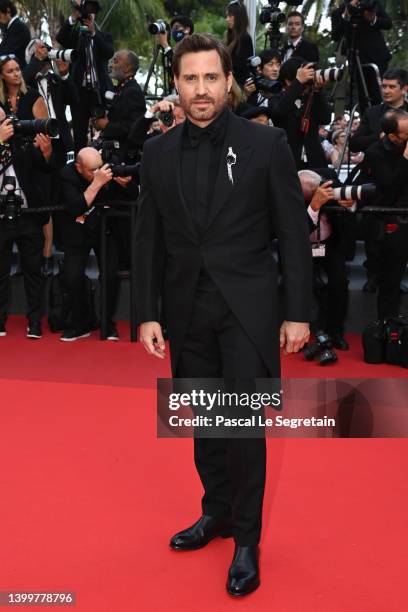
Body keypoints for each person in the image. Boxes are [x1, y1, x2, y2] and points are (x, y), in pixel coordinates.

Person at [135, 33, 312, 597]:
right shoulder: (157, 152)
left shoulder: (268, 144)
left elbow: (291, 233)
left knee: (243, 429)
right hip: (187, 308)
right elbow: (148, 239)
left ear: (228, 81)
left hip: (248, 310)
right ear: (177, 85)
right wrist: (145, 313)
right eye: (191, 78)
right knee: (206, 424)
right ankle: (215, 513)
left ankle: (246, 541)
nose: (202, 89)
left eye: (212, 77)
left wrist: (297, 313)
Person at [58, 147, 138, 342]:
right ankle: (80, 324)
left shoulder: (108, 169)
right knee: (72, 276)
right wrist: (97, 183)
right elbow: (75, 207)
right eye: (92, 170)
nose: (98, 172)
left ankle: (107, 323)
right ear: (78, 167)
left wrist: (126, 184)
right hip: (78, 232)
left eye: (99, 167)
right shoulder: (67, 174)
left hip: (106, 230)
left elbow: (134, 193)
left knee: (110, 276)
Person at [350, 67, 408, 292]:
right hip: (376, 179)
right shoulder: (373, 113)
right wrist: (381, 136)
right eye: (383, 86)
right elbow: (355, 143)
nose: (386, 90)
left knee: (401, 234)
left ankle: (395, 276)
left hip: (403, 182)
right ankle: (373, 275)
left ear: (404, 89)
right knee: (374, 234)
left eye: (392, 86)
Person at [23, 39, 79, 272]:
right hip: (39, 143)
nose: (45, 54)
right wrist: (36, 60)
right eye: (39, 51)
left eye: (46, 50)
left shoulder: (55, 80)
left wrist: (65, 74)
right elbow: (24, 78)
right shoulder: (24, 83)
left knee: (64, 189)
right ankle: (44, 251)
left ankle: (64, 245)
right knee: (44, 193)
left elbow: (74, 100)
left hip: (61, 142)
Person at [0, 104, 52, 339]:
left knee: (33, 270)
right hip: (1, 218)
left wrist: (46, 153)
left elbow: (43, 169)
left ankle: (34, 321)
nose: (7, 125)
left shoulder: (21, 142)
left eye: (6, 120)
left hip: (28, 215)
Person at [299, 169, 356, 348]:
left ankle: (336, 332)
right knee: (302, 286)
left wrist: (349, 205)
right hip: (301, 246)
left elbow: (354, 204)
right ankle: (302, 331)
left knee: (339, 283)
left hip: (330, 243)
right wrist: (313, 206)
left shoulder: (329, 186)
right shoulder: (289, 194)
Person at [360, 109, 408, 319]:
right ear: (392, 136)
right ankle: (387, 330)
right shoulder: (375, 153)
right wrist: (405, 160)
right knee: (391, 282)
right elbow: (389, 187)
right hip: (390, 222)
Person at [56, 0, 114, 151]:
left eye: (92, 11)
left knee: (105, 130)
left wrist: (94, 33)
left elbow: (109, 52)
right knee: (80, 135)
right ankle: (80, 165)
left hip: (99, 90)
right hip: (79, 93)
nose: (89, 14)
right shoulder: (76, 36)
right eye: (87, 10)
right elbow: (61, 38)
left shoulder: (104, 36)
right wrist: (73, 17)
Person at [269, 57, 331, 168]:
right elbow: (278, 113)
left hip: (315, 162)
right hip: (288, 162)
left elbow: (326, 119)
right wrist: (298, 83)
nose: (307, 84)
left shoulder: (313, 98)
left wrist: (318, 91)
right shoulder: (277, 99)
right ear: (288, 81)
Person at [331, 0, 392, 111]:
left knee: (381, 95)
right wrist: (346, 16)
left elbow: (388, 23)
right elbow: (335, 35)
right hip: (357, 60)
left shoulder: (371, 4)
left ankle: (385, 123)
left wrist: (373, 19)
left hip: (378, 59)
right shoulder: (339, 12)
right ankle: (367, 123)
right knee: (363, 99)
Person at [225, 0, 254, 87]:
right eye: (227, 16)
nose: (227, 19)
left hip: (240, 87)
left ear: (238, 17)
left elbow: (243, 68)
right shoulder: (232, 38)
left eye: (230, 16)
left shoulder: (245, 38)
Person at [0, 1, 30, 68]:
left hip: (20, 72)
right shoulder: (11, 28)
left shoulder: (18, 27)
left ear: (8, 11)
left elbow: (7, 53)